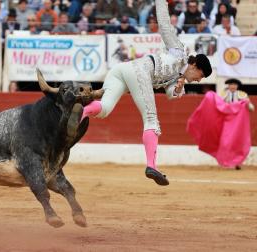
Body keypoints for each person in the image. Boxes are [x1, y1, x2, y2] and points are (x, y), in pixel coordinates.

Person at [81, 0, 212, 186]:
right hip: (140, 71)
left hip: (123, 70)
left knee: (104, 109)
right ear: (195, 65)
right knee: (151, 119)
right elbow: (165, 24)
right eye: (201, 75)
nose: (199, 80)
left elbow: (169, 94)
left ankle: (81, 112)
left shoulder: (179, 80)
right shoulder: (179, 51)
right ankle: (152, 165)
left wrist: (179, 86)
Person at [218, 78, 254, 170]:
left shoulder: (243, 95)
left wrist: (248, 104)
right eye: (231, 84)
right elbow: (218, 106)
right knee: (226, 142)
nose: (233, 86)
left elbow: (252, 108)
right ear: (228, 86)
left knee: (238, 142)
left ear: (237, 86)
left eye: (234, 84)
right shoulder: (223, 94)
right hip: (227, 122)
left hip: (239, 124)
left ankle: (237, 162)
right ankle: (227, 161)